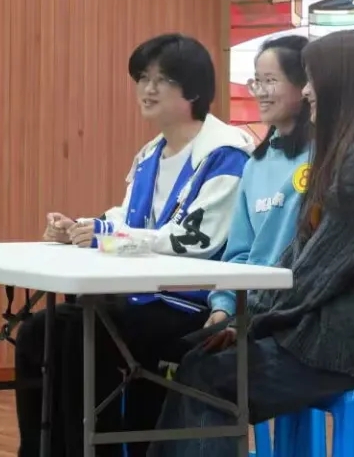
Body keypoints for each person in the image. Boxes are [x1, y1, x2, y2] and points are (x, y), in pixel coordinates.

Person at [147, 29, 354, 457]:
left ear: (339, 81)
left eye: (312, 79)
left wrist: (251, 324)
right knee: (198, 361)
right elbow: (304, 254)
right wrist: (246, 321)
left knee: (209, 375)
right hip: (338, 339)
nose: (306, 92)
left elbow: (319, 268)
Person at [15, 33, 254, 457]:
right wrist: (79, 227)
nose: (148, 89)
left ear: (193, 90)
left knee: (84, 332)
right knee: (39, 331)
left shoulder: (226, 153)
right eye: (142, 78)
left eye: (162, 80)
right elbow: (126, 219)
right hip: (142, 297)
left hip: (190, 304)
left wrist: (106, 236)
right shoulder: (149, 155)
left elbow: (195, 240)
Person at [203, 35, 312, 330]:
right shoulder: (255, 165)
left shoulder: (324, 158)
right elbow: (240, 252)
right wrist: (223, 306)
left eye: (270, 81)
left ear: (304, 86)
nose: (260, 92)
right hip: (249, 310)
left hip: (296, 314)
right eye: (256, 82)